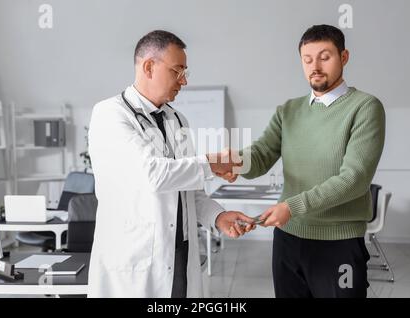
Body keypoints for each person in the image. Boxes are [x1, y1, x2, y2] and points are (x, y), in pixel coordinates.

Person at [221, 24, 386, 298]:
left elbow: (354, 180)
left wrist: (292, 206)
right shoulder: (288, 110)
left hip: (339, 243)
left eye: (325, 57)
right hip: (288, 240)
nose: (315, 66)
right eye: (307, 60)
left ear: (344, 57)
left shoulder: (365, 107)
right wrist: (232, 162)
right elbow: (260, 156)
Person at [87, 30, 255, 298]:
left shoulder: (177, 120)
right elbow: (152, 175)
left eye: (185, 72)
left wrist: (218, 217)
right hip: (135, 263)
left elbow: (191, 191)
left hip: (179, 256)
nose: (184, 80)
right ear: (149, 66)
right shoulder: (110, 114)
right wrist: (212, 164)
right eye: (177, 71)